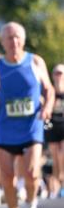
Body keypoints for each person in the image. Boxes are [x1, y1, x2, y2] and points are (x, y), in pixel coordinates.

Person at [0, 23, 54, 208]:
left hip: (32, 126)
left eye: (17, 37)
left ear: (23, 39)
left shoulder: (35, 61)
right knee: (7, 177)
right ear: (3, 41)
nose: (14, 41)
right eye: (9, 38)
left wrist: (47, 107)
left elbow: (49, 89)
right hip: (6, 127)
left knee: (32, 173)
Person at [45, 65, 64, 198]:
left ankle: (62, 181)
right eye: (56, 73)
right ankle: (58, 183)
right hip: (52, 126)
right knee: (55, 158)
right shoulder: (50, 91)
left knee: (62, 154)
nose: (58, 76)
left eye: (61, 73)